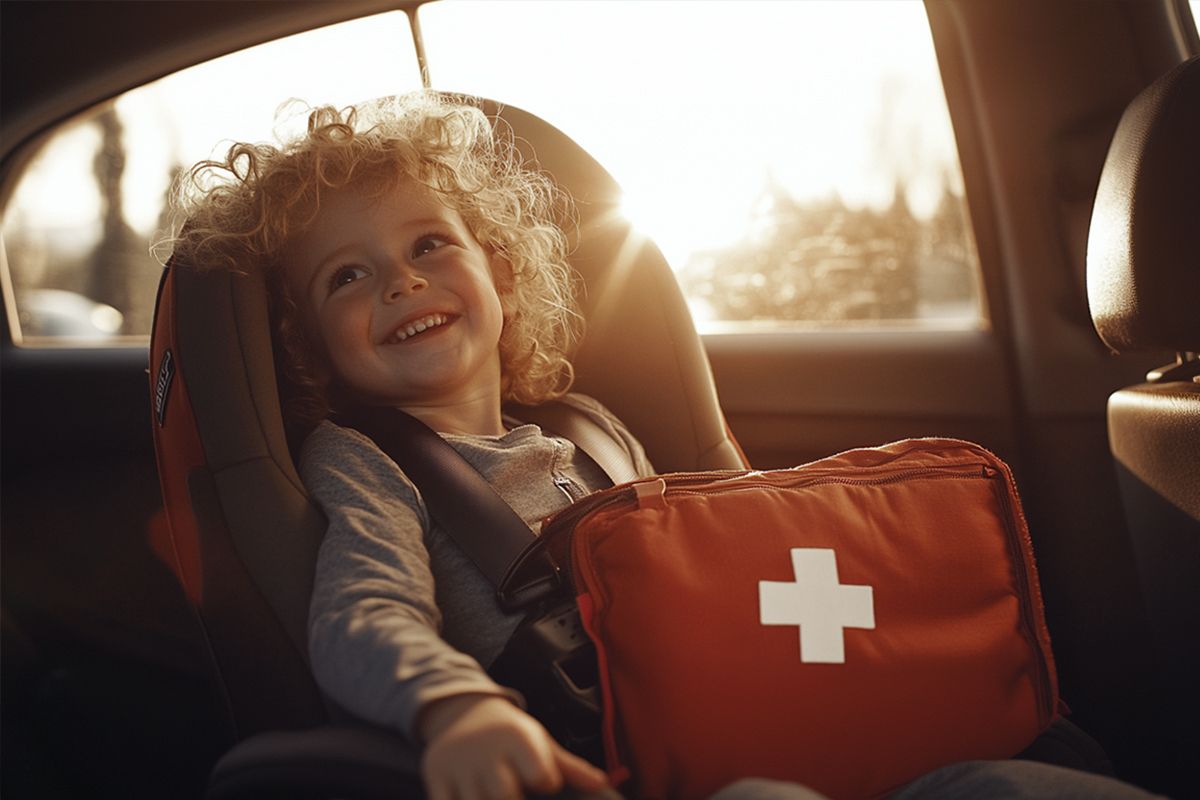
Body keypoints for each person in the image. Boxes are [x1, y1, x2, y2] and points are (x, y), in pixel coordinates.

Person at [172, 94, 1164, 800]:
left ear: (501, 272)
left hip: (779, 717)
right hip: (621, 763)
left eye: (431, 244)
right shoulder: (364, 461)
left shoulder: (596, 424)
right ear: (309, 345)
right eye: (348, 275)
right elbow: (361, 613)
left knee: (1039, 765)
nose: (400, 281)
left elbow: (742, 562)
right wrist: (452, 709)